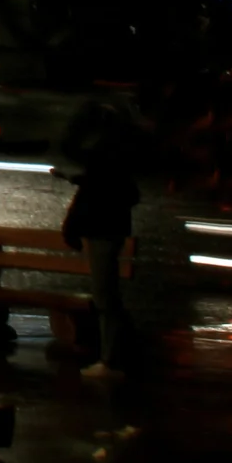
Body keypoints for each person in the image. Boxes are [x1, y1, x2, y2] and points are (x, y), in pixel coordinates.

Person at [57, 105, 140, 378]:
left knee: (105, 297)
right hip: (107, 229)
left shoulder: (107, 152)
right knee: (105, 296)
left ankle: (112, 360)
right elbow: (107, 185)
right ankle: (115, 355)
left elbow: (99, 189)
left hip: (102, 230)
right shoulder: (118, 152)